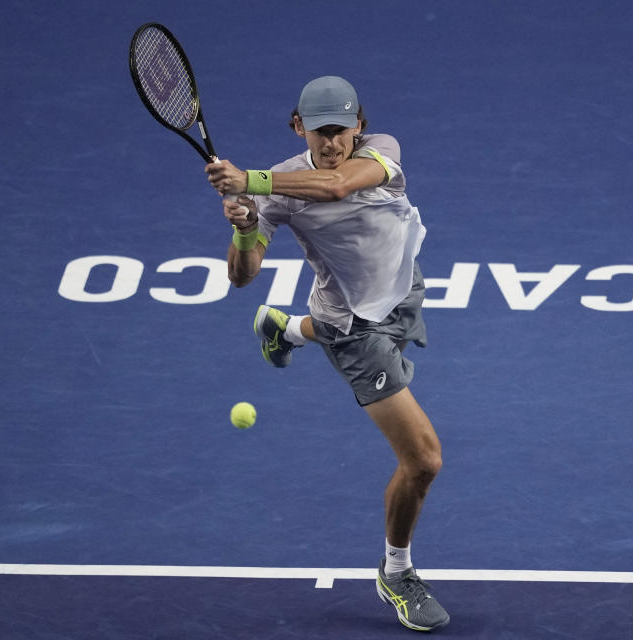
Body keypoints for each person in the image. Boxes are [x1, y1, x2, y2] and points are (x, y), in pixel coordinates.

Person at [205, 76, 449, 632]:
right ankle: (397, 571)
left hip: (401, 288)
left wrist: (251, 180)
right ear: (299, 127)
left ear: (359, 126)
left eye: (341, 131)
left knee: (346, 323)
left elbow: (338, 186)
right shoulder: (274, 191)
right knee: (424, 460)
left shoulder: (382, 150)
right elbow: (242, 278)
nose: (332, 143)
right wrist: (246, 226)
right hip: (354, 328)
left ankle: (286, 330)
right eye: (321, 133)